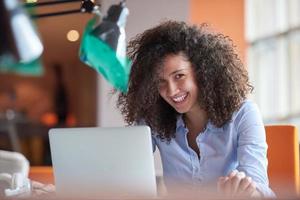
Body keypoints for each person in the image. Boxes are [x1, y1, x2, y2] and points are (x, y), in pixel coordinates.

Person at [117, 20, 275, 198]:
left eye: (179, 76)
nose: (171, 90)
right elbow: (126, 173)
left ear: (202, 71)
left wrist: (245, 190)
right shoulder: (152, 120)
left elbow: (262, 189)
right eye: (160, 82)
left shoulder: (243, 114)